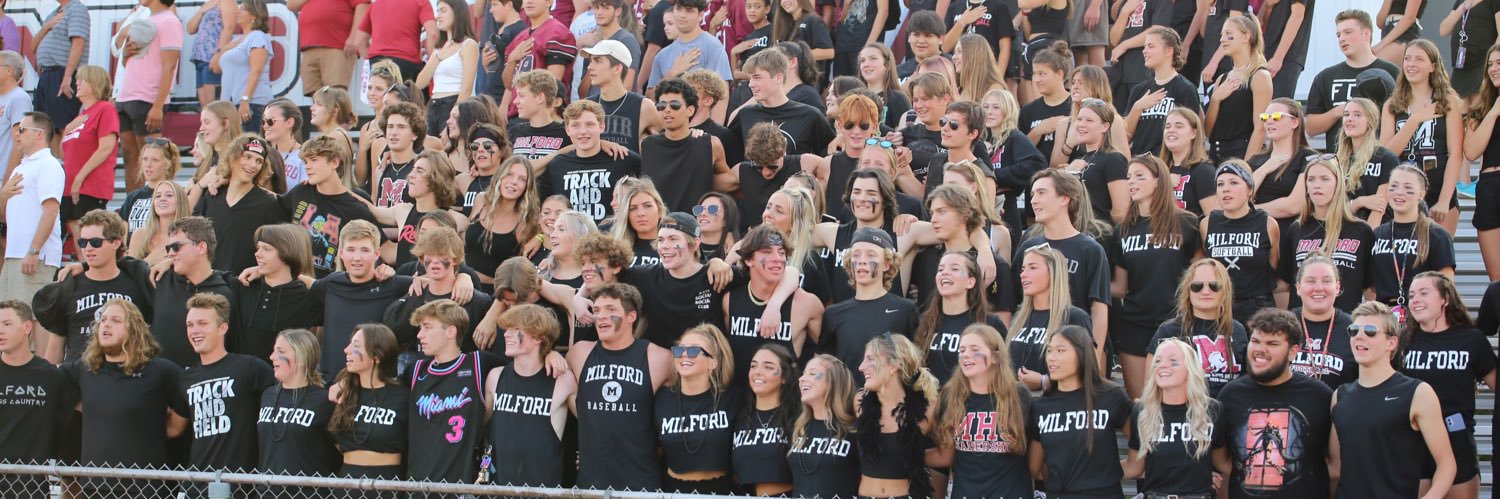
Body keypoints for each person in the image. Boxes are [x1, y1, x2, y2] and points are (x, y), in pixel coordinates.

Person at [1330, 301, 1456, 499]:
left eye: (1370, 331)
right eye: (1353, 330)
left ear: (1391, 343)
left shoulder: (1417, 393)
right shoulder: (1339, 396)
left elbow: (1447, 464)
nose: (1359, 336)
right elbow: (1335, 469)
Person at [62, 299, 186, 494]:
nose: (106, 324)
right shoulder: (84, 369)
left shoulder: (161, 370)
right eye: (103, 320)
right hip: (95, 488)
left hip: (146, 487)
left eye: (116, 320)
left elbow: (177, 426)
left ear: (134, 329)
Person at [1213, 308, 1334, 498]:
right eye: (1255, 341)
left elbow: (1334, 467)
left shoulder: (1320, 396)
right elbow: (1222, 463)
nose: (1260, 349)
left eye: (1272, 343)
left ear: (1293, 351)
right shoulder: (1230, 395)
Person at [1401, 272, 1498, 498]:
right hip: (1414, 442)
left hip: (1458, 440)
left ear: (1445, 298)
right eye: (1411, 295)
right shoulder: (1403, 340)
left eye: (1424, 293)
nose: (1415, 300)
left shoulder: (1472, 340)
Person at [567, 283, 672, 491]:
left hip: (641, 485)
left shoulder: (659, 358)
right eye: (596, 310)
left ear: (631, 316)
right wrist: (551, 355)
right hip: (590, 485)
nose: (601, 316)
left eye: (611, 309)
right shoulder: (579, 353)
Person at [1112, 154, 1201, 398]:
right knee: (1140, 403)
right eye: (1129, 177)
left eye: (1140, 176)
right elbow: (1120, 286)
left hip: (1177, 322)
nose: (1131, 181)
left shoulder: (1187, 222)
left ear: (1158, 181)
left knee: (1175, 400)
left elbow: (1200, 276)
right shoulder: (1123, 230)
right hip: (1134, 324)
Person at [174, 293, 276, 477]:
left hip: (239, 483)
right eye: (190, 325)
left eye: (203, 323)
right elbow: (174, 428)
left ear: (222, 328)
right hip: (196, 482)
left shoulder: (250, 368)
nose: (194, 330)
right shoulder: (185, 378)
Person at [1013, 169, 1112, 359]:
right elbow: (1014, 301)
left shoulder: (1090, 249)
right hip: (1031, 348)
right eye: (1033, 194)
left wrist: (1093, 357)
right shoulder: (1029, 246)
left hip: (1075, 348)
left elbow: (1099, 310)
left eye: (1042, 193)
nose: (1033, 200)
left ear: (1064, 198)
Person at [36, 210, 154, 365]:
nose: (88, 248)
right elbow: (56, 347)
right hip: (79, 378)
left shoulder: (136, 284)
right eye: (83, 242)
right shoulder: (68, 285)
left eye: (96, 242)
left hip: (125, 375)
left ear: (116, 243)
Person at [1026, 325, 1131, 498]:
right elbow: (1035, 467)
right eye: (1049, 350)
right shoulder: (1041, 406)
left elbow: (1140, 445)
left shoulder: (1111, 396)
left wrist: (1108, 474)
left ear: (1082, 353)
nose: (1051, 357)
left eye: (1060, 350)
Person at [930, 324, 1032, 498]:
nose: (965, 355)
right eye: (961, 350)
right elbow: (945, 456)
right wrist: (902, 454)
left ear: (995, 357)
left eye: (974, 349)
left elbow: (1033, 457)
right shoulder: (950, 396)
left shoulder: (1019, 396)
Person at [309, 221, 417, 379]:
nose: (357, 258)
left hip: (375, 388)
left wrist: (463, 277)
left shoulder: (394, 284)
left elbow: (435, 283)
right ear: (341, 252)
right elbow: (305, 282)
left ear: (377, 253)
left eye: (365, 250)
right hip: (331, 384)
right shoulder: (332, 283)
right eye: (351, 249)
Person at [403, 300, 493, 485]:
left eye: (427, 327)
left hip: (461, 484)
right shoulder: (415, 370)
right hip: (417, 482)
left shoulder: (478, 364)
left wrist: (550, 354)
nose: (420, 335)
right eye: (420, 328)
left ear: (451, 331)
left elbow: (524, 369)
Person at [1383, 40, 1466, 236]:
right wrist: (1414, 120)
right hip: (1402, 194)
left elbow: (1455, 154)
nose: (1411, 64)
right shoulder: (1392, 105)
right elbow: (1386, 153)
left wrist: (1445, 199)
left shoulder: (1448, 101)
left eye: (1419, 59)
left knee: (1440, 260)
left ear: (1433, 66)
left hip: (1438, 190)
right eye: (1407, 59)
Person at [485, 304, 572, 487]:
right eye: (507, 329)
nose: (506, 334)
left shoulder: (562, 380)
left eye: (516, 329)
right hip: (499, 490)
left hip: (543, 490)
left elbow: (592, 423)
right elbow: (480, 425)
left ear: (539, 337)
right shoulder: (495, 376)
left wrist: (553, 353)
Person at [1122, 338, 1221, 498]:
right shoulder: (1142, 412)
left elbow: (1222, 463)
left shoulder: (1212, 410)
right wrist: (1089, 469)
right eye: (1158, 361)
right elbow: (1134, 468)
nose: (1163, 365)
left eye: (1173, 362)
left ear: (1190, 370)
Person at [723, 224, 821, 383]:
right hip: (740, 401)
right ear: (748, 259)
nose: (777, 258)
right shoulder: (729, 301)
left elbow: (828, 352)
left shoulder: (805, 304)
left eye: (782, 253)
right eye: (767, 252)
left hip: (787, 402)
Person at [821, 227, 917, 385]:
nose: (862, 260)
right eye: (856, 255)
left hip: (889, 403)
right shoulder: (833, 314)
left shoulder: (905, 310)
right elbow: (825, 366)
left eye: (871, 255)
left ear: (886, 264)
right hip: (846, 404)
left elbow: (915, 364)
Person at [1277, 155, 1374, 312]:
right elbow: (1285, 284)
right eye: (1311, 179)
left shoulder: (1361, 231)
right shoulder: (1296, 229)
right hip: (1302, 325)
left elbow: (1370, 289)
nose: (1317, 185)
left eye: (1324, 179)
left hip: (1346, 324)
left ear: (1338, 183)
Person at [654, 324, 741, 493]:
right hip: (673, 491)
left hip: (720, 491)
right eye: (679, 351)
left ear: (713, 363)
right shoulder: (662, 398)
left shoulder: (733, 399)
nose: (684, 355)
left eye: (694, 351)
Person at [280, 135, 379, 277]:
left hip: (330, 286)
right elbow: (270, 207)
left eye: (314, 160)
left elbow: (383, 250)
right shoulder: (300, 191)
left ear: (334, 162)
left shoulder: (355, 207)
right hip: (295, 282)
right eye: (306, 161)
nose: (307, 166)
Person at [257, 329, 340, 494]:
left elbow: (341, 449)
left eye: (280, 351)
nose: (272, 357)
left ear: (302, 357)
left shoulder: (324, 400)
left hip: (309, 493)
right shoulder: (268, 395)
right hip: (267, 491)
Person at [1305, 10, 1402, 151]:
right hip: (1338, 163)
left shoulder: (1392, 72)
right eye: (1338, 34)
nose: (1341, 38)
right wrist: (1338, 112)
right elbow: (1311, 128)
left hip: (1378, 161)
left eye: (1348, 32)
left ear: (1366, 34)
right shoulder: (1325, 76)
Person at [0, 300, 70, 494]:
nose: (0, 330)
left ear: (27, 326)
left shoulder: (51, 376)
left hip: (32, 485)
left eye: (6, 324)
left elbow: (66, 421)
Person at [854, 334, 937, 498]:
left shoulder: (929, 407)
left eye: (870, 359)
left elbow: (946, 455)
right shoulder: (859, 402)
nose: (861, 367)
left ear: (894, 365)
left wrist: (913, 454)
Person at [1149, 258, 1246, 396]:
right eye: (1197, 286)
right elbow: (1152, 386)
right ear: (1188, 291)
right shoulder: (1168, 331)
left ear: (1225, 290)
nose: (1205, 291)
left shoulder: (1238, 330)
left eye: (1214, 286)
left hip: (1228, 412)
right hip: (1186, 412)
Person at [191, 135, 287, 274]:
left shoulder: (269, 203)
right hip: (210, 283)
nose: (253, 165)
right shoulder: (212, 195)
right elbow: (195, 240)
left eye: (259, 161)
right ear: (232, 157)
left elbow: (281, 249)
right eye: (247, 157)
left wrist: (259, 271)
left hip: (247, 285)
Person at [328, 324, 409, 485]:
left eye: (356, 345)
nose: (346, 349)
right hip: (347, 482)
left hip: (387, 483)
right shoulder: (344, 394)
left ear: (376, 357)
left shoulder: (403, 396)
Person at [116, 0, 183, 193]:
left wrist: (158, 105)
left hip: (148, 98)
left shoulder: (169, 21)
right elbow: (130, 60)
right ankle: (132, 206)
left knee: (153, 159)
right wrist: (126, 54)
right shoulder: (146, 18)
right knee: (130, 157)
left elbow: (169, 66)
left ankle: (158, 206)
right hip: (126, 96)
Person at [151, 217, 236, 367]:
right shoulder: (159, 279)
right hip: (162, 383)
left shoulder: (228, 291)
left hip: (206, 384)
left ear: (201, 247)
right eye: (168, 248)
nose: (170, 253)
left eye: (176, 247)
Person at [228, 224, 322, 360]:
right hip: (240, 376)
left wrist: (302, 278)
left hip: (282, 378)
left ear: (287, 253)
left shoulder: (307, 298)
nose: (257, 254)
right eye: (258, 248)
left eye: (266, 249)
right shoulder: (244, 285)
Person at [1201, 161, 1280, 322]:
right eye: (1220, 184)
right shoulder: (1207, 224)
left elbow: (1274, 267)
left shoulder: (1267, 223)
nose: (1226, 189)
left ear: (1249, 189)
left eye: (1234, 182)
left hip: (1258, 308)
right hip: (1220, 307)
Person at [725, 50, 835, 165]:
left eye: (757, 78)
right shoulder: (745, 115)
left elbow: (832, 156)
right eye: (750, 79)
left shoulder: (810, 115)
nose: (751, 84)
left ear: (778, 78)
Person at [0, 112, 63, 312]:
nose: (16, 134)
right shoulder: (23, 167)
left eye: (22, 130)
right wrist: (3, 195)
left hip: (35, 256)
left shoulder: (48, 165)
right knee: (10, 321)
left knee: (30, 319)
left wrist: (34, 250)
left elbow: (51, 210)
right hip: (14, 254)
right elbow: (4, 216)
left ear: (39, 133)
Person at [1371, 165, 1456, 312]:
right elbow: (1370, 286)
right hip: (1384, 317)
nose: (1399, 193)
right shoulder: (1376, 234)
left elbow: (1446, 286)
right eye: (1394, 186)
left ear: (1421, 195)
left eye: (1408, 188)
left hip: (1423, 316)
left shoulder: (1437, 235)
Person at [1007, 245, 1092, 390]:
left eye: (1032, 268)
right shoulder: (1018, 317)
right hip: (1015, 404)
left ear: (1053, 273)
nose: (1023, 274)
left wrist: (1044, 381)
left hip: (1054, 406)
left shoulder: (1074, 318)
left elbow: (1088, 374)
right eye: (1023, 269)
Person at [642, 79, 734, 211]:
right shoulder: (647, 145)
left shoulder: (710, 144)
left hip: (697, 225)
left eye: (674, 105)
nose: (667, 110)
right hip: (659, 227)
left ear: (690, 110)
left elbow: (729, 183)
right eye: (661, 105)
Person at [59, 66, 119, 248]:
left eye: (82, 80)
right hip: (71, 186)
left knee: (90, 239)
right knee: (79, 238)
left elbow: (105, 148)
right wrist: (68, 130)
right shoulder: (82, 115)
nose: (77, 82)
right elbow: (64, 152)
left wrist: (80, 177)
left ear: (95, 83)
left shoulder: (105, 109)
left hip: (91, 185)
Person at [1121, 27, 1202, 157]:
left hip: (1167, 165)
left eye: (1151, 46)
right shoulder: (1139, 90)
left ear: (1168, 50)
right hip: (1140, 163)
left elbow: (1192, 136)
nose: (1144, 51)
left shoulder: (1185, 88)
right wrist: (1138, 107)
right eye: (1145, 46)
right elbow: (1125, 137)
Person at [730, 344, 797, 495]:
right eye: (753, 366)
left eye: (768, 367)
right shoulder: (739, 417)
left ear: (784, 376)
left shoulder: (798, 418)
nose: (757, 372)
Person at [1205, 15, 1272, 162]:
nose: (1222, 39)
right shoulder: (1221, 79)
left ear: (1246, 37)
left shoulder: (1260, 75)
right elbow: (1209, 132)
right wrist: (1216, 98)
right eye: (1221, 35)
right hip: (1215, 158)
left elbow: (1260, 129)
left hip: (1242, 157)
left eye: (1229, 35)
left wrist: (1245, 168)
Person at [981, 89, 1047, 232]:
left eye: (996, 107)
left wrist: (994, 176)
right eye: (986, 107)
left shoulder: (1015, 137)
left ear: (1008, 110)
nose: (989, 112)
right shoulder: (981, 140)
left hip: (1005, 207)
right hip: (983, 207)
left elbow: (1037, 164)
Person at [1288, 254, 1358, 389]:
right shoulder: (1280, 326)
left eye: (1326, 281)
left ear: (1337, 287)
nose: (1319, 288)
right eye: (1310, 281)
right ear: (1298, 287)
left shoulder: (1354, 330)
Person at [1247, 98, 1318, 232]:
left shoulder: (1308, 157)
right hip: (1256, 233)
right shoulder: (1256, 160)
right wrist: (1265, 169)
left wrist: (1248, 211)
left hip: (1291, 232)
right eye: (1265, 117)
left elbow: (1294, 206)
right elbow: (1241, 196)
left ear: (1295, 122)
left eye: (1276, 116)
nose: (1269, 121)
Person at [500, 0, 578, 116]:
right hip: (518, 112)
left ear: (548, 2)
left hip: (543, 114)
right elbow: (508, 85)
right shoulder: (520, 37)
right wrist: (512, 59)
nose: (529, 2)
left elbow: (553, 82)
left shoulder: (557, 32)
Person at [584, 41, 662, 153]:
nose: (589, 67)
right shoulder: (585, 106)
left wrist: (694, 131)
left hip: (629, 169)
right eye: (590, 61)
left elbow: (671, 136)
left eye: (597, 61)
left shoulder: (643, 106)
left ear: (617, 68)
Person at [1062, 98, 1130, 225]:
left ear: (1105, 126)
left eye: (1089, 120)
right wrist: (1067, 173)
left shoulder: (1114, 159)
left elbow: (1121, 212)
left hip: (1100, 233)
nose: (1081, 124)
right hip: (1076, 230)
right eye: (1079, 119)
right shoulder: (1079, 160)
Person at [31, 0, 86, 154]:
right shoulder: (53, 13)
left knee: (64, 127)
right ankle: (57, 170)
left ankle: (66, 171)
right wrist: (47, 26)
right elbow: (33, 46)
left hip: (62, 74)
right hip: (46, 75)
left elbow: (78, 43)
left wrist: (68, 76)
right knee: (49, 128)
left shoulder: (76, 9)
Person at [417, 0, 479, 135]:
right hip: (434, 105)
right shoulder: (439, 48)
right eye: (437, 11)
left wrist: (454, 116)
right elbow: (420, 82)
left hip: (453, 103)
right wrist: (438, 56)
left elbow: (466, 89)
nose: (438, 16)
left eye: (443, 11)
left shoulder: (469, 45)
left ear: (457, 13)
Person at [213, 0, 274, 132]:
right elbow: (216, 68)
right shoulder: (237, 40)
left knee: (249, 148)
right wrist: (224, 49)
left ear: (254, 15)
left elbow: (256, 71)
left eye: (243, 9)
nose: (238, 11)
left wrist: (245, 100)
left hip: (253, 103)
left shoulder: (258, 36)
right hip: (231, 105)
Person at [1338, 97, 1400, 226]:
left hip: (1376, 232)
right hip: (1342, 231)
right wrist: (1359, 202)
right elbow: (1332, 211)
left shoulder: (1386, 159)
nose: (1349, 119)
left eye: (1357, 115)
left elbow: (1379, 208)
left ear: (1371, 121)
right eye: (1346, 114)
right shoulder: (1336, 161)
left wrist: (1368, 241)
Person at [288, 0, 368, 96]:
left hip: (337, 45)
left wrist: (354, 36)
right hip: (309, 47)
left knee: (335, 94)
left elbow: (363, 5)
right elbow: (291, 5)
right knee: (316, 97)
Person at [1021, 43, 1074, 168]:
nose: (1036, 79)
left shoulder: (1076, 106)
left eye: (1042, 74)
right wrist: (1038, 131)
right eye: (1034, 74)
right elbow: (1019, 151)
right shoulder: (1028, 111)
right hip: (1034, 180)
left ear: (1059, 74)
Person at [1159, 109, 1218, 216]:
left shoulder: (1204, 171)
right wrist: (1165, 183)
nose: (1171, 130)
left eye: (1179, 126)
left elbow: (1214, 219)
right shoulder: (1157, 170)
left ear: (1193, 133)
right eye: (1167, 127)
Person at [356, 0, 436, 80]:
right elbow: (433, 34)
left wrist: (372, 60)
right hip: (407, 64)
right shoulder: (420, 2)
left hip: (377, 63)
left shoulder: (376, 4)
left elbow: (359, 41)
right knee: (420, 89)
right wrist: (432, 65)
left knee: (377, 91)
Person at [119, 138, 181, 237]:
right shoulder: (133, 197)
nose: (148, 165)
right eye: (145, 159)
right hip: (133, 251)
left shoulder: (176, 194)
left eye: (155, 160)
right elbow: (124, 235)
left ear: (167, 164)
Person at [856, 45, 911, 129]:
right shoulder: (854, 97)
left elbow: (903, 137)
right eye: (862, 60)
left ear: (887, 65)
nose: (866, 64)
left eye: (873, 59)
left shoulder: (898, 98)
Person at [262, 100, 307, 188]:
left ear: (289, 122)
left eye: (270, 121)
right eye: (263, 121)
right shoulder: (261, 155)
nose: (265, 126)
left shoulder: (305, 157)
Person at [696, 193, 741, 262]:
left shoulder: (737, 253)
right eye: (699, 209)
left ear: (726, 219)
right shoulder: (686, 247)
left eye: (712, 209)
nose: (702, 213)